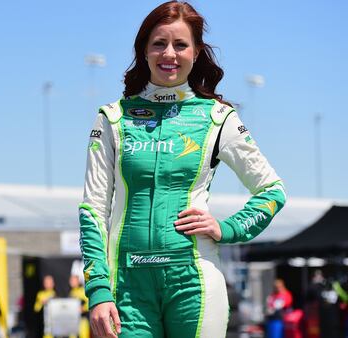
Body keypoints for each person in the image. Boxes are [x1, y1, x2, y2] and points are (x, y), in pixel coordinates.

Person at [78, 1, 286, 337]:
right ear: (143, 51)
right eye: (158, 43)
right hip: (127, 287)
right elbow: (92, 210)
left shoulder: (218, 118)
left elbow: (272, 191)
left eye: (180, 44)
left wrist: (227, 228)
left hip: (195, 284)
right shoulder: (113, 117)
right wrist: (98, 290)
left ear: (196, 51)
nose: (169, 54)